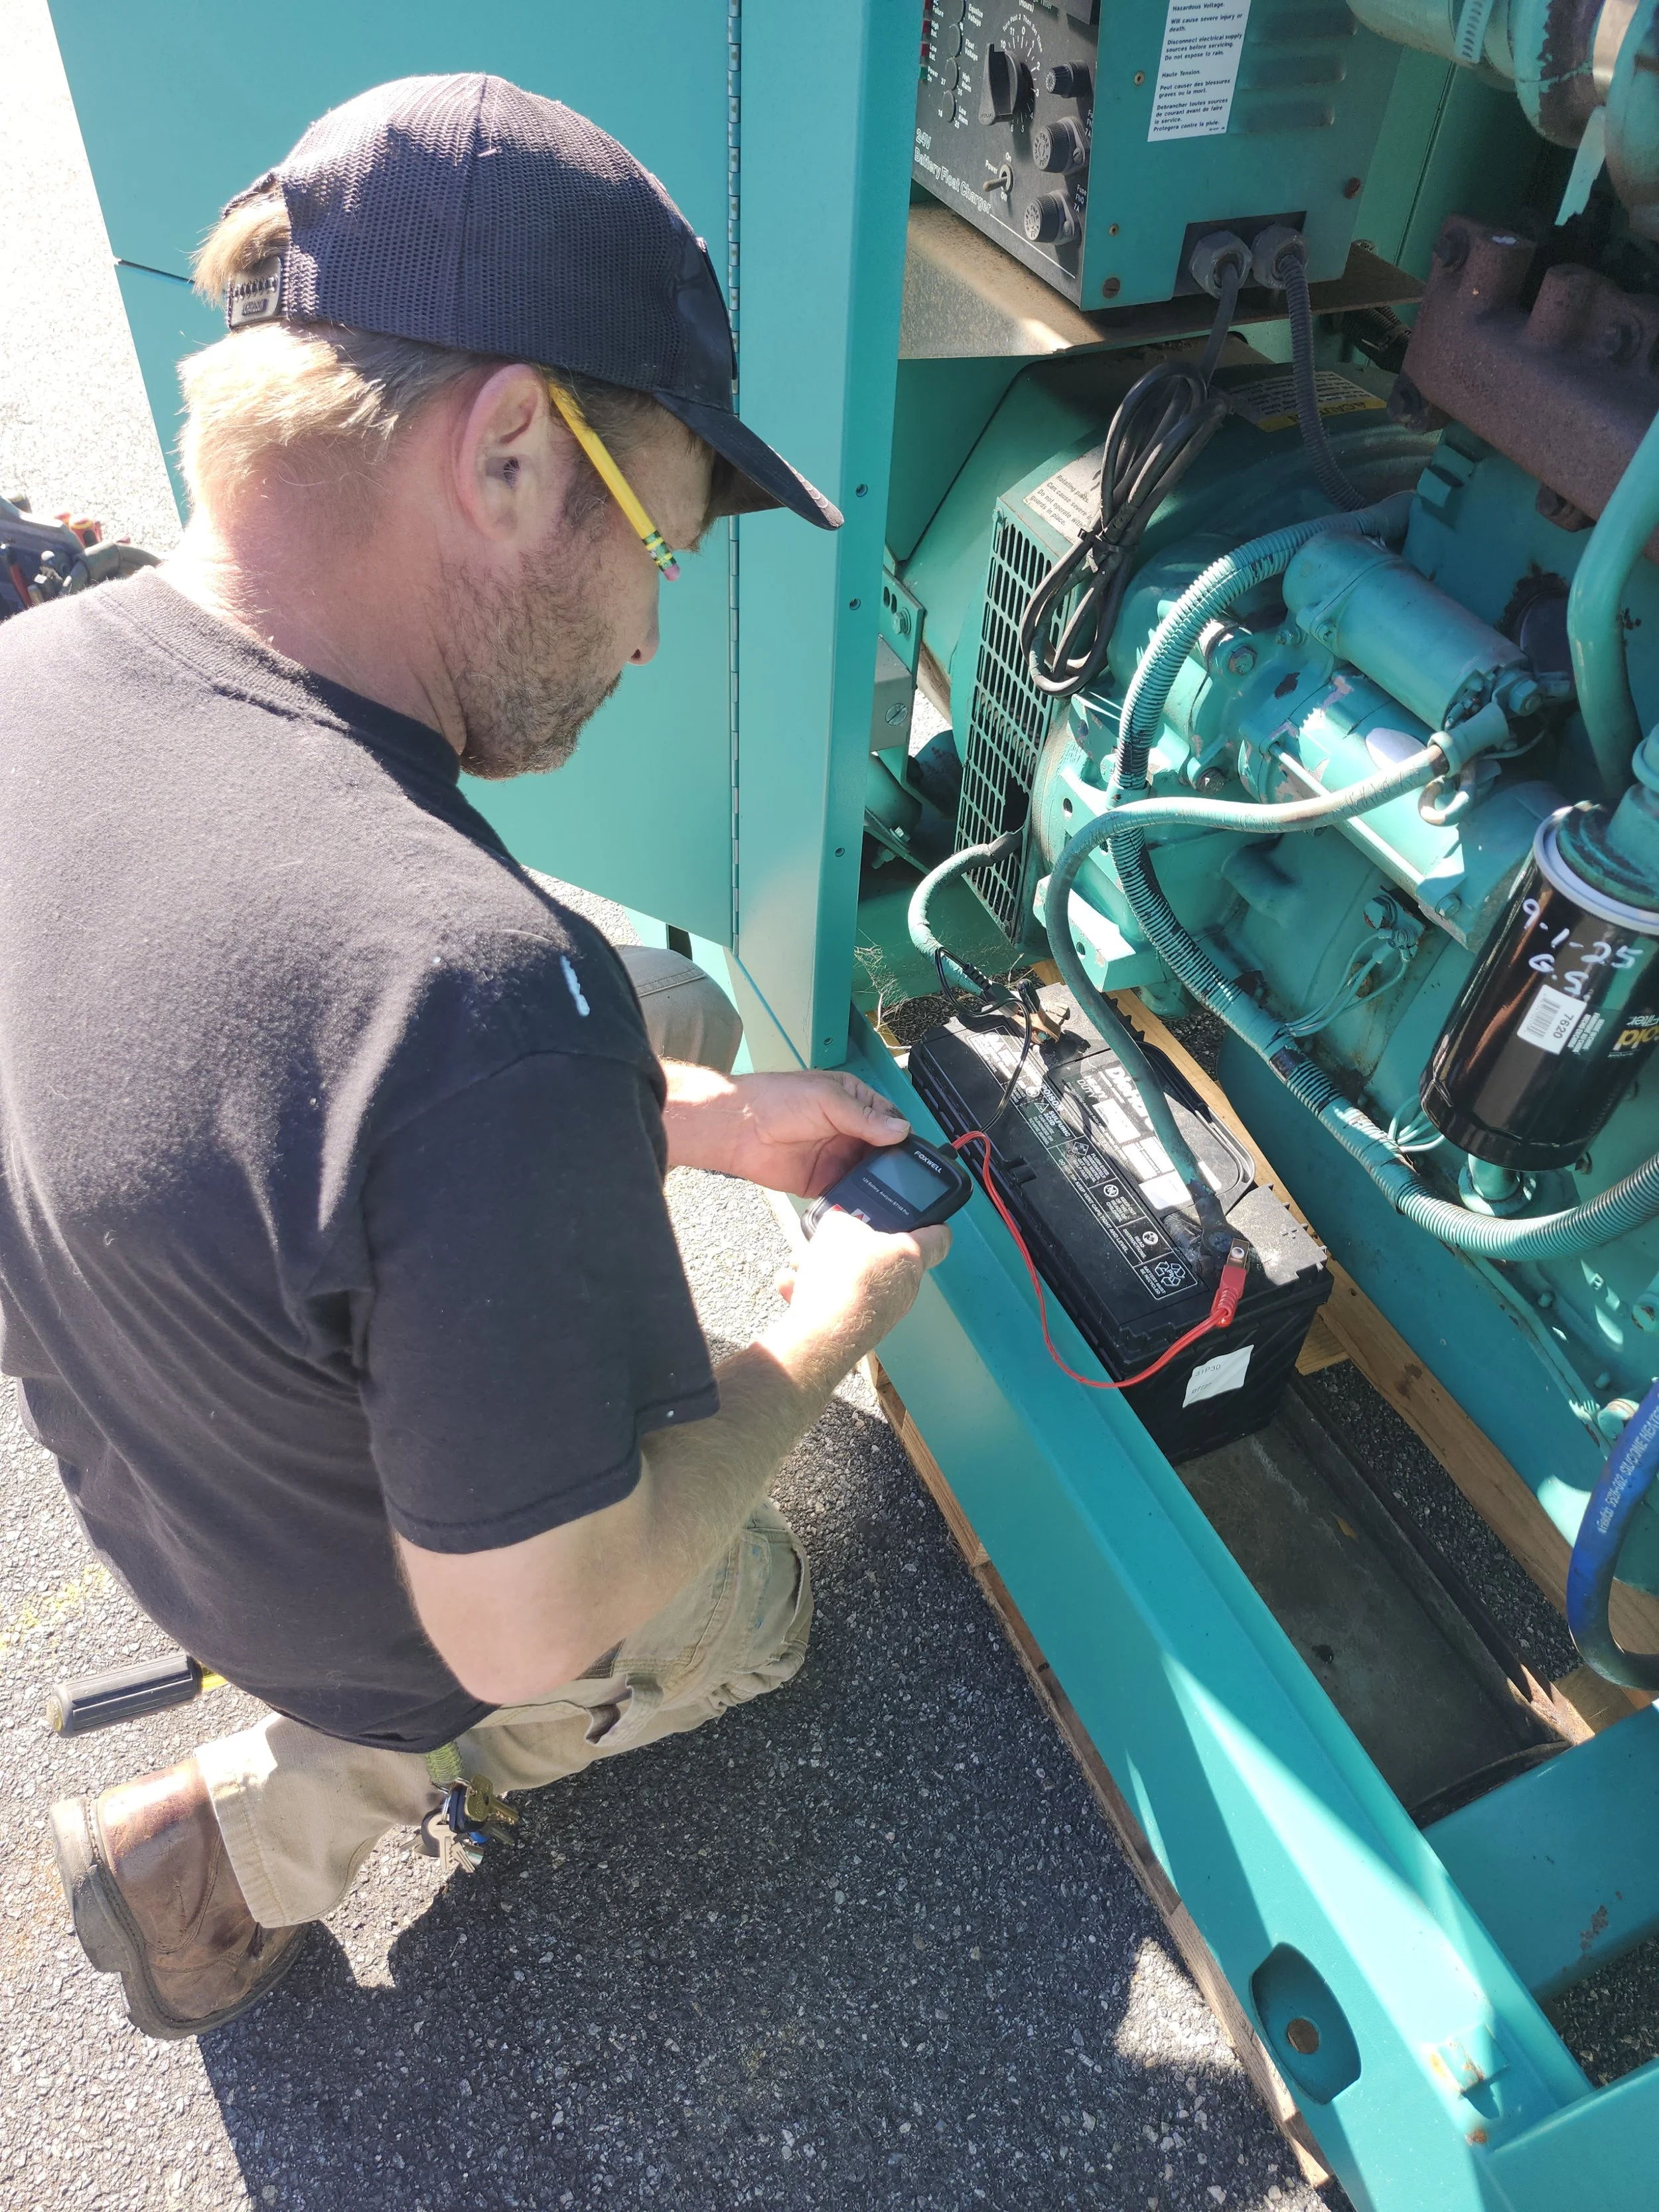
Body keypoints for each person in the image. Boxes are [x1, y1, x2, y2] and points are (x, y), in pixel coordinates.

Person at [0, 74, 950, 2043]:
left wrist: (680, 1115)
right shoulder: (472, 1002)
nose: (648, 641)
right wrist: (824, 1330)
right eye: (662, 551)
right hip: (368, 1606)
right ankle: (262, 1827)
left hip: (162, 1445)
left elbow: (300, 1111)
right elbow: (538, 1614)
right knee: (748, 1612)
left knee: (652, 1008)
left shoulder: (42, 683)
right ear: (510, 449)